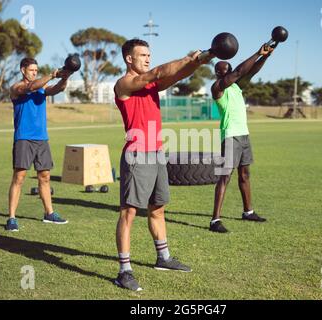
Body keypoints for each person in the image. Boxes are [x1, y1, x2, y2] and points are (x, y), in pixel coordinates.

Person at [113, 39, 213, 291]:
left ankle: (163, 257)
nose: (147, 58)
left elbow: (177, 75)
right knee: (129, 213)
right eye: (143, 55)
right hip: (137, 155)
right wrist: (188, 57)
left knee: (158, 208)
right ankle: (124, 271)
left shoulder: (151, 86)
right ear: (128, 58)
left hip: (156, 153)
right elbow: (158, 72)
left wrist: (202, 59)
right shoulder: (124, 84)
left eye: (149, 54)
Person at [209, 44, 274, 233]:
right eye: (222, 70)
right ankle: (215, 221)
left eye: (227, 69)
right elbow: (238, 72)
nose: (225, 72)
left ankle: (248, 211)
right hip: (230, 136)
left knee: (245, 175)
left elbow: (250, 71)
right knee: (225, 177)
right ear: (217, 74)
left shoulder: (237, 87)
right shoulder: (217, 88)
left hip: (244, 135)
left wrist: (266, 56)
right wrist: (257, 52)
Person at [5, 58, 72, 232]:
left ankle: (49, 214)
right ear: (22, 70)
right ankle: (11, 218)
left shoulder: (41, 88)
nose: (34, 72)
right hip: (24, 138)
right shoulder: (16, 88)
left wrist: (64, 77)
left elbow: (57, 89)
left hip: (41, 138)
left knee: (45, 177)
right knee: (19, 178)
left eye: (36, 70)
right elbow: (30, 88)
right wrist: (51, 74)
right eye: (32, 70)